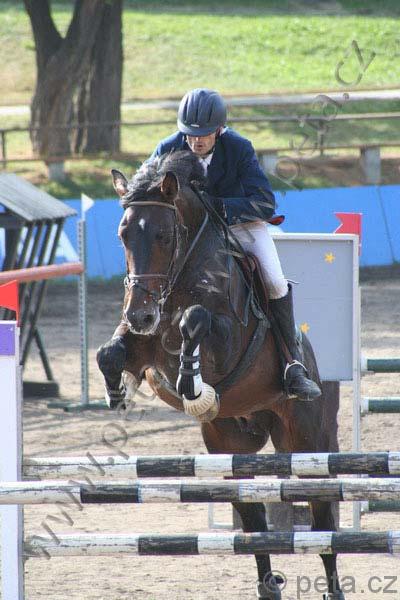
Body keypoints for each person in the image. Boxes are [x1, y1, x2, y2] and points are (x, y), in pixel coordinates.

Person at [149, 88, 321, 400]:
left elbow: (264, 202)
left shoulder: (239, 148)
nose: (196, 141)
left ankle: (292, 364)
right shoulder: (167, 148)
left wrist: (218, 207)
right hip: (188, 236)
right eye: (190, 134)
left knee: (274, 281)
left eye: (203, 134)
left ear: (219, 129)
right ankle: (135, 348)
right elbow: (146, 189)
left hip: (239, 227)